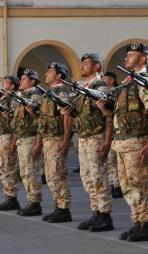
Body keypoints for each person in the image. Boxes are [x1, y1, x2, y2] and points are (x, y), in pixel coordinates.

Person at [97, 43, 148, 242]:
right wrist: (105, 111)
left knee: (141, 184)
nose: (127, 58)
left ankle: (146, 222)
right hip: (123, 141)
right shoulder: (128, 83)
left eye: (132, 55)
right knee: (128, 185)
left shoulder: (143, 81)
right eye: (126, 55)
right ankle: (138, 221)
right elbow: (121, 115)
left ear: (143, 59)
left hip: (138, 140)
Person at [71, 53, 114, 232]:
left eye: (86, 63)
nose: (82, 66)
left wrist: (107, 141)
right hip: (84, 137)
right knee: (87, 177)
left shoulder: (101, 87)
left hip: (97, 137)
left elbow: (109, 116)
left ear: (97, 66)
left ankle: (105, 215)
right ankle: (96, 211)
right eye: (81, 63)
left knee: (98, 176)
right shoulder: (83, 88)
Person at [32, 62, 73, 223]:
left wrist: (65, 140)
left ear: (58, 76)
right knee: (50, 175)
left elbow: (67, 117)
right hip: (48, 138)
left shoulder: (62, 92)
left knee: (58, 173)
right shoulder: (47, 94)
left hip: (57, 138)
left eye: (50, 72)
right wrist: (39, 143)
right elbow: (43, 121)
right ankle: (58, 206)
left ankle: (64, 209)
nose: (46, 74)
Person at [11, 68, 43, 216]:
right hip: (22, 138)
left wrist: (38, 142)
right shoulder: (21, 96)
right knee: (24, 172)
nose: (21, 81)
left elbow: (40, 121)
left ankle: (35, 202)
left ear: (32, 81)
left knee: (31, 171)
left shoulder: (35, 96)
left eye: (24, 79)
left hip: (31, 138)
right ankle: (31, 200)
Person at [0, 75, 20, 211]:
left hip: (8, 136)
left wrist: (14, 142)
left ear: (13, 86)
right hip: (0, 136)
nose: (4, 84)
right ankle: (8, 196)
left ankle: (12, 198)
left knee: (8, 167)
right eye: (3, 82)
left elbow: (16, 119)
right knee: (2, 168)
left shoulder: (14, 99)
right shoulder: (2, 98)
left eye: (7, 82)